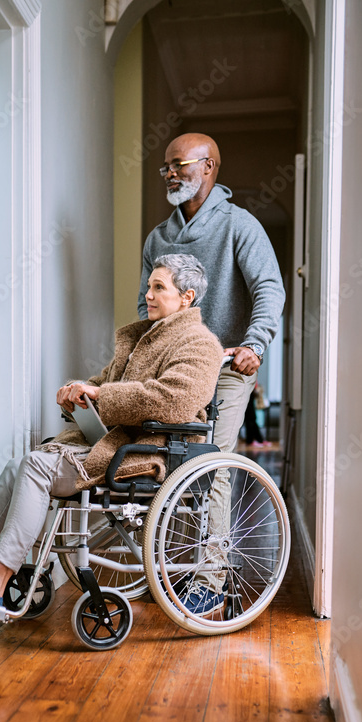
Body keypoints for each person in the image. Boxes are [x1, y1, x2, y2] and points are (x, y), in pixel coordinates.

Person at [0, 253, 223, 605]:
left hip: (152, 452)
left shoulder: (200, 344)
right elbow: (104, 383)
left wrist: (101, 395)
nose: (148, 294)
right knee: (19, 465)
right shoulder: (149, 337)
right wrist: (79, 392)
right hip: (118, 443)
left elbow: (172, 401)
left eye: (159, 287)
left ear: (187, 297)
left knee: (34, 466)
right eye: (149, 286)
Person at [138, 132, 285, 613]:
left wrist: (255, 344)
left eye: (181, 164)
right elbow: (148, 307)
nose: (172, 173)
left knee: (212, 462)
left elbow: (269, 288)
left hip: (226, 365)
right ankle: (169, 567)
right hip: (175, 366)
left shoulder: (240, 226)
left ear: (210, 167)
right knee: (167, 460)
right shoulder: (158, 238)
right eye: (167, 167)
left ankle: (213, 578)